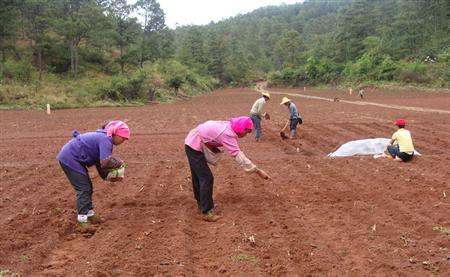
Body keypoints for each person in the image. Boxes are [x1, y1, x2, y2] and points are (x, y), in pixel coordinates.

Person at [184, 116, 270, 222]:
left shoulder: (229, 127)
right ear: (241, 128)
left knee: (199, 176)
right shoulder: (227, 133)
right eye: (246, 132)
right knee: (206, 178)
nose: (246, 135)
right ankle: (206, 211)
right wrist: (257, 170)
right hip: (194, 145)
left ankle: (203, 204)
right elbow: (237, 155)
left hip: (193, 141)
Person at [57, 120, 130, 225]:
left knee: (88, 187)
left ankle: (90, 214)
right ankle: (82, 220)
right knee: (84, 188)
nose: (124, 140)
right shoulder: (105, 139)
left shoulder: (104, 138)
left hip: (72, 158)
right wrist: (120, 164)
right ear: (115, 134)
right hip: (70, 158)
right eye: (123, 137)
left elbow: (100, 163)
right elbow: (105, 162)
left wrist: (107, 177)